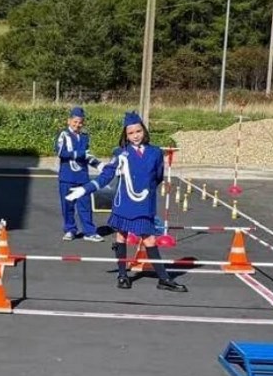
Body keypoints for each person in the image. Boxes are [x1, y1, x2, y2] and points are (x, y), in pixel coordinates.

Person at [66, 111, 187, 292]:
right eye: (130, 133)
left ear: (144, 131)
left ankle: (164, 279)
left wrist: (144, 191)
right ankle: (122, 275)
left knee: (150, 239)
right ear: (126, 135)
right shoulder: (121, 153)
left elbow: (158, 176)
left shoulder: (155, 152)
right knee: (121, 236)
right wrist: (85, 189)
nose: (135, 136)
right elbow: (106, 175)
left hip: (144, 204)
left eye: (138, 131)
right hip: (124, 203)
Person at [54, 106, 103, 242]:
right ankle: (70, 230)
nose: (77, 125)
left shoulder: (85, 137)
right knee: (68, 206)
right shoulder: (63, 134)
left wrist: (98, 164)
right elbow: (60, 153)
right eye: (75, 121)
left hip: (82, 176)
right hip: (67, 177)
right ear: (69, 121)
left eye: (80, 122)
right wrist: (79, 154)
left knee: (85, 206)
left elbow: (87, 155)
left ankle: (89, 232)